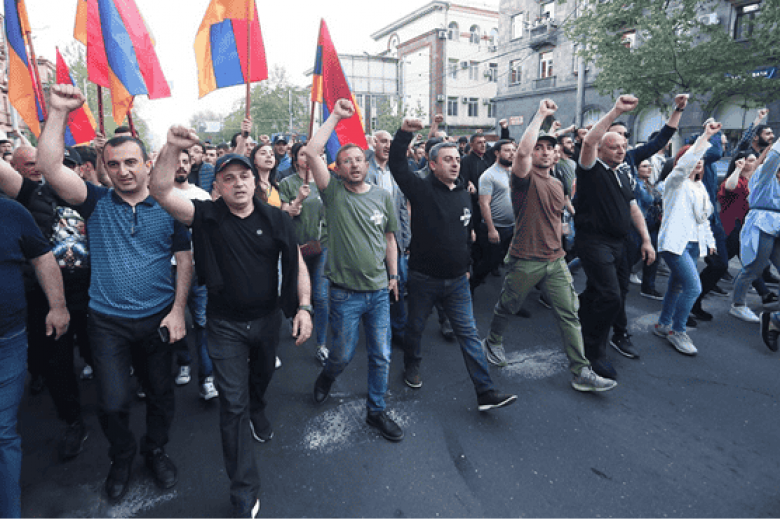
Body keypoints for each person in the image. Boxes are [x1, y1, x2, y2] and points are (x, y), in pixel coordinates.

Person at [37, 84, 192, 501]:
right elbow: (50, 167)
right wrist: (58, 112)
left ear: (147, 164)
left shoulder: (170, 205)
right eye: (114, 164)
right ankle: (121, 456)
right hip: (108, 323)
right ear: (104, 168)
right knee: (111, 401)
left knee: (161, 396)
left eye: (131, 162)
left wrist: (178, 309)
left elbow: (185, 260)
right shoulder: (95, 201)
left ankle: (155, 450)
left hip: (158, 319)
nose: (123, 171)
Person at [150, 125, 312, 517]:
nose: (238, 183)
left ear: (254, 182)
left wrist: (305, 307)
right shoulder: (205, 215)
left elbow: (298, 263)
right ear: (217, 187)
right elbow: (160, 190)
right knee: (232, 406)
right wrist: (171, 147)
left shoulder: (276, 219)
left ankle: (259, 406)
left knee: (260, 381)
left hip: (267, 321)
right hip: (224, 326)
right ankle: (243, 489)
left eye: (244, 176)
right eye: (228, 178)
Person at [480, 99, 616, 392]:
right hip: (525, 258)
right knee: (508, 305)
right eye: (538, 147)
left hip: (555, 260)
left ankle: (581, 371)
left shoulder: (557, 183)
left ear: (556, 154)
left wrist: (564, 235)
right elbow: (522, 152)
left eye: (549, 148)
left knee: (569, 314)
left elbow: (556, 216)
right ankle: (492, 340)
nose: (543, 151)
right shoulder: (523, 179)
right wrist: (541, 114)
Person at [387, 113, 519, 409]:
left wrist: (468, 267)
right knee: (415, 328)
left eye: (457, 159)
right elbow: (397, 165)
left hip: (458, 281)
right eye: (447, 159)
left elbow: (465, 234)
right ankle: (411, 365)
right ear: (432, 164)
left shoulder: (463, 193)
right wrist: (404, 133)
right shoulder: (420, 189)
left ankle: (485, 391)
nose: (455, 163)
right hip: (424, 279)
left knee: (469, 335)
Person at [303, 99, 404, 442]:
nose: (354, 165)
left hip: (378, 292)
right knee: (342, 355)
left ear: (367, 162)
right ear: (338, 169)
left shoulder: (382, 196)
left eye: (359, 159)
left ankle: (376, 411)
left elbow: (389, 238)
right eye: (346, 161)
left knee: (381, 355)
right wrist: (336, 115)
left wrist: (393, 276)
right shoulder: (333, 194)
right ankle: (328, 376)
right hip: (345, 295)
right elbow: (312, 151)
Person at [0, 146, 92, 461]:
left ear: (81, 171)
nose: (60, 173)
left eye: (68, 166)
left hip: (94, 296)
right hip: (47, 298)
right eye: (54, 167)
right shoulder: (32, 195)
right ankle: (73, 421)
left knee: (102, 358)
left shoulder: (94, 199)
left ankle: (114, 414)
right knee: (57, 365)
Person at [574, 95, 656, 379]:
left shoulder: (622, 174)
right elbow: (588, 142)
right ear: (601, 149)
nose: (621, 151)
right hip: (594, 242)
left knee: (614, 293)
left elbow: (633, 208)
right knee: (609, 296)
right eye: (614, 146)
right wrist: (616, 111)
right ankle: (593, 353)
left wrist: (646, 239)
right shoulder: (590, 168)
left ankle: (579, 320)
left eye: (623, 146)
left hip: (620, 244)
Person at [0, 197, 69, 518]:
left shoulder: (11, 211)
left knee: (2, 432)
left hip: (8, 340)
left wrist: (58, 306)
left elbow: (43, 259)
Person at [653, 123, 720, 355]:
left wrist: (710, 242)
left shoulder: (699, 186)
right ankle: (678, 331)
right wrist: (706, 136)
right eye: (694, 157)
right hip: (674, 244)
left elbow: (703, 219)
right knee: (693, 288)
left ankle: (663, 324)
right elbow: (683, 167)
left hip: (692, 245)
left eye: (702, 158)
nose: (699, 161)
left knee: (676, 285)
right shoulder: (675, 183)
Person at [169, 149, 219, 400]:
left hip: (198, 269)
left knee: (202, 322)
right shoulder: (160, 195)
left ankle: (207, 378)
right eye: (176, 161)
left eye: (185, 161)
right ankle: (184, 361)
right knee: (174, 318)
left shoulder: (201, 196)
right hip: (168, 270)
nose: (181, 166)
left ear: (191, 166)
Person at [279, 143, 330, 365]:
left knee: (321, 295)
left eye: (312, 154)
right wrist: (298, 199)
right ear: (295, 158)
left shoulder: (326, 182)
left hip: (322, 244)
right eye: (302, 154)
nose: (308, 158)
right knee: (296, 292)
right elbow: (284, 215)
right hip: (296, 247)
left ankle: (322, 344)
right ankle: (298, 318)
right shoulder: (287, 183)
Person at [366, 130, 412, 348]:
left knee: (398, 284)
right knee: (375, 287)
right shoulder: (365, 169)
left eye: (390, 142)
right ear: (373, 143)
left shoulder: (396, 171)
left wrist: (406, 238)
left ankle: (398, 329)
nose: (387, 146)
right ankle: (377, 330)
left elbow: (402, 206)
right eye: (383, 141)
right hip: (370, 240)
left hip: (395, 241)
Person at [729, 136, 780, 323]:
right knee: (754, 267)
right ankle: (738, 304)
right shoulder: (765, 175)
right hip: (762, 223)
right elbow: (773, 158)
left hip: (776, 225)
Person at [470, 139, 516, 291]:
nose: (512, 154)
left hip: (513, 227)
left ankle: (512, 296)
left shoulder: (515, 172)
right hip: (496, 228)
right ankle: (470, 288)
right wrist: (491, 229)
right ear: (497, 153)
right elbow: (484, 203)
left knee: (516, 263)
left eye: (513, 150)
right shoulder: (488, 175)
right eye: (507, 150)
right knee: (488, 264)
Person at [249, 142, 281, 207]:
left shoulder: (277, 187)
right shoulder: (249, 185)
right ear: (254, 160)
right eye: (263, 153)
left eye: (272, 154)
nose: (269, 156)